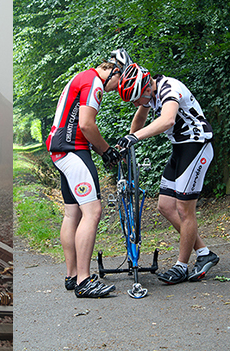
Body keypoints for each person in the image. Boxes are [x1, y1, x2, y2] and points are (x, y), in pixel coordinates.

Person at [114, 63, 218, 284]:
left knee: (184, 208)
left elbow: (168, 120)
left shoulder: (169, 88)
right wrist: (127, 144)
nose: (136, 104)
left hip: (197, 146)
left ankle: (181, 266)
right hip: (180, 148)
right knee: (165, 206)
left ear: (146, 88)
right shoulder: (149, 95)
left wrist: (135, 138)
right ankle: (204, 253)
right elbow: (139, 119)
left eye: (135, 99)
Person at [45, 54, 124, 298]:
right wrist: (106, 150)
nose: (116, 89)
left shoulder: (81, 77)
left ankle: (71, 276)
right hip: (74, 150)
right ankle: (84, 281)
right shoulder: (95, 84)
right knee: (93, 212)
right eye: (118, 83)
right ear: (113, 72)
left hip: (59, 150)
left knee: (73, 213)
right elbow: (87, 125)